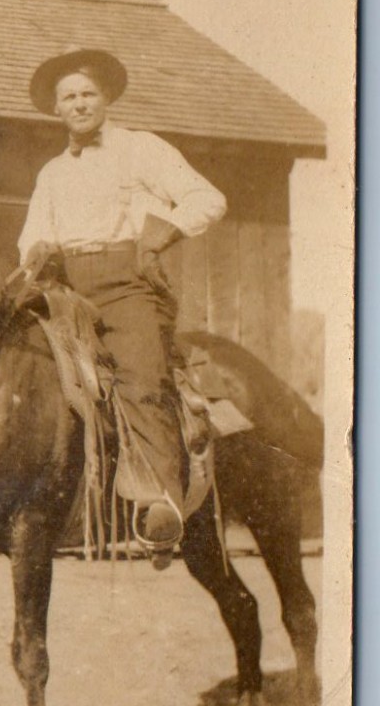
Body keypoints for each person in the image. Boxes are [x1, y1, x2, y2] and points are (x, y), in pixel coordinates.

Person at [16, 48, 226, 563]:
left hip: (127, 283)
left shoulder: (141, 149)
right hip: (65, 287)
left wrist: (159, 237)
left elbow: (208, 198)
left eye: (88, 93)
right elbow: (32, 238)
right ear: (57, 109)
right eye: (69, 97)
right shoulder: (51, 173)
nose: (80, 104)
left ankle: (161, 503)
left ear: (106, 98)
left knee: (140, 375)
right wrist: (38, 255)